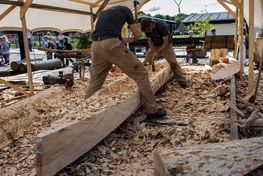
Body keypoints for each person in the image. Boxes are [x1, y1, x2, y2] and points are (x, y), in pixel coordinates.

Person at [85, 5, 167, 120]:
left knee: (96, 80)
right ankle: (151, 110)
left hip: (95, 45)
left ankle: (84, 111)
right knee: (141, 73)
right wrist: (137, 32)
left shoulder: (105, 13)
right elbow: (137, 34)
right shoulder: (126, 10)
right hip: (111, 44)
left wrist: (131, 39)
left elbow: (117, 38)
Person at [141, 18, 187, 88]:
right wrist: (154, 51)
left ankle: (182, 81)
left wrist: (158, 52)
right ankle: (146, 81)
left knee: (173, 62)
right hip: (155, 46)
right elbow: (150, 41)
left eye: (149, 29)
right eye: (147, 31)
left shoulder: (161, 25)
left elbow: (166, 41)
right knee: (147, 61)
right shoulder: (147, 28)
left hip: (166, 45)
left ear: (151, 24)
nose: (148, 31)